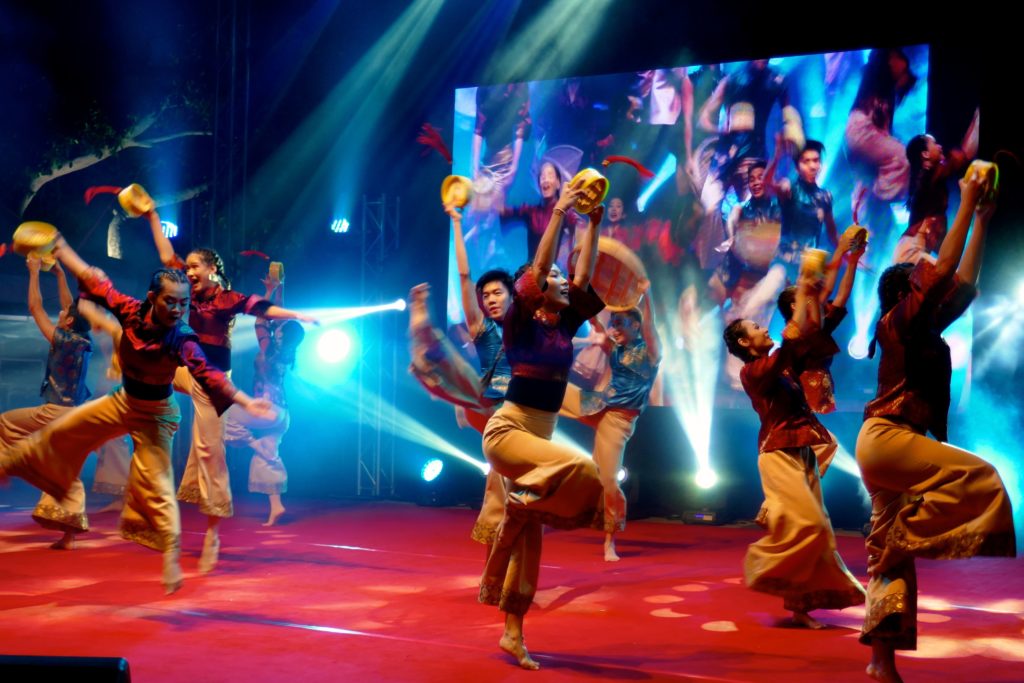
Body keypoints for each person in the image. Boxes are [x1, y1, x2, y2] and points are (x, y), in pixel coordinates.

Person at [1, 234, 277, 593]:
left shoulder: (183, 338)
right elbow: (95, 280)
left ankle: (171, 556)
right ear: (152, 298)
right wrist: (60, 246)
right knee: (59, 433)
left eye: (183, 304)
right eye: (171, 302)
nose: (178, 310)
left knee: (157, 487)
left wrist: (245, 401)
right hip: (122, 402)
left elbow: (209, 376)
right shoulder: (130, 309)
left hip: (156, 416)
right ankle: (8, 467)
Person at [856, 171, 1014, 683]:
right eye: (920, 272)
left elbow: (962, 283)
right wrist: (965, 198)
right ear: (906, 289)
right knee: (982, 479)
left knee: (890, 564)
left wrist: (983, 221)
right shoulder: (896, 319)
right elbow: (945, 267)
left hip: (892, 444)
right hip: (889, 439)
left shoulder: (920, 326)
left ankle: (881, 662)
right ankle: (908, 536)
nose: (930, 273)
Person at [479, 180, 618, 670]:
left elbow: (581, 275)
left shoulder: (564, 325)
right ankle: (519, 507)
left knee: (529, 546)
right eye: (554, 278)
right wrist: (560, 211)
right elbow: (541, 267)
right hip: (509, 431)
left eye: (563, 276)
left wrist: (593, 225)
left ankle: (512, 634)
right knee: (584, 470)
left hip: (537, 440)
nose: (564, 280)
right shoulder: (520, 321)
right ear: (537, 293)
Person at [147, 209, 316, 573]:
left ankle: (212, 533)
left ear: (212, 269)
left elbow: (261, 308)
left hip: (211, 381)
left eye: (195, 267)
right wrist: (150, 213)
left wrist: (297, 315)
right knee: (143, 369)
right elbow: (166, 257)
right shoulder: (189, 293)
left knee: (210, 452)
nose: (189, 272)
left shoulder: (227, 299)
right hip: (183, 370)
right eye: (187, 267)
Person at [722, 271, 866, 629]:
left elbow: (818, 323)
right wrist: (801, 293)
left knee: (822, 533)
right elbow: (788, 347)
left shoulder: (782, 367)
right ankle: (762, 565)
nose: (762, 327)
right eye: (755, 327)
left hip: (801, 451)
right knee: (810, 525)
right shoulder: (754, 373)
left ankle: (800, 607)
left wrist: (848, 261)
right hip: (777, 453)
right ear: (744, 343)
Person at [0, 257, 93, 550]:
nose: (61, 311)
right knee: (64, 468)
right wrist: (61, 275)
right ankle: (69, 534)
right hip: (75, 413)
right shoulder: (83, 338)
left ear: (67, 322)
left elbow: (35, 308)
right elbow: (70, 306)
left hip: (55, 411)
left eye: (64, 313)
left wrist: (33, 273)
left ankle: (11, 464)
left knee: (4, 422)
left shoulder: (63, 340)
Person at [576, 288, 660, 561]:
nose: (615, 328)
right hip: (597, 405)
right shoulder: (615, 348)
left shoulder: (650, 352)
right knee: (551, 392)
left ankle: (610, 538)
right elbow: (595, 322)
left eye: (621, 323)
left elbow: (651, 327)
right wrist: (584, 289)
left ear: (636, 325)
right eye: (614, 323)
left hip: (618, 419)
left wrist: (647, 297)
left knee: (607, 480)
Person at [224, 265, 305, 526]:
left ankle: (252, 443)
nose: (277, 328)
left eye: (280, 329)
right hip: (282, 415)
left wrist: (270, 291)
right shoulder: (286, 354)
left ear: (281, 335)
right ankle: (276, 507)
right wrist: (276, 289)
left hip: (267, 410)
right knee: (268, 455)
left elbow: (262, 319)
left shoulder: (270, 349)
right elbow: (275, 316)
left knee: (222, 413)